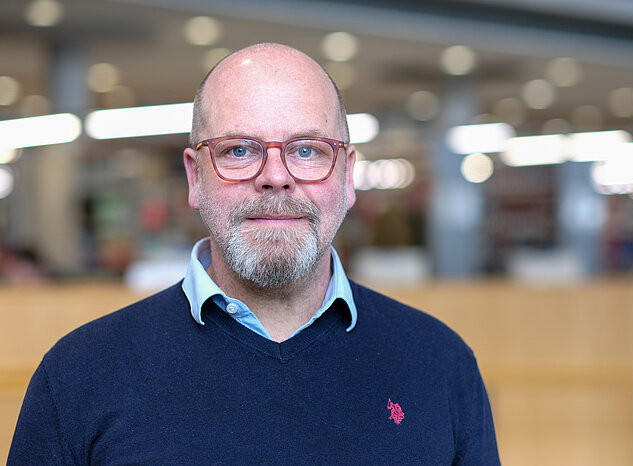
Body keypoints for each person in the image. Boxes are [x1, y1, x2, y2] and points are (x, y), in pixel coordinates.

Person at [9, 43, 500, 464]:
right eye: (239, 150)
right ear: (195, 177)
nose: (276, 175)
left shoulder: (441, 364)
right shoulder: (79, 375)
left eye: (307, 150)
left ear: (348, 176)